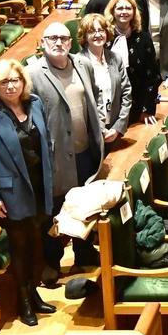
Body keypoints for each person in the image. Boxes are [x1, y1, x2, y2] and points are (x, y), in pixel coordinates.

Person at [0, 60, 56, 326]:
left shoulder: (34, 103)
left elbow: (45, 143)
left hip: (38, 185)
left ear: (23, 81)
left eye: (14, 80)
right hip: (11, 193)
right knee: (20, 247)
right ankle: (22, 301)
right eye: (3, 82)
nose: (10, 86)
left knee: (36, 242)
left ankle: (34, 293)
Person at [27, 22, 104, 280]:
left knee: (84, 205)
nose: (58, 43)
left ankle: (84, 253)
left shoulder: (83, 64)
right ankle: (52, 263)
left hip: (85, 152)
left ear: (71, 42)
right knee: (54, 211)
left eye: (63, 38)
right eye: (52, 38)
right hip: (55, 157)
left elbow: (93, 98)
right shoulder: (32, 73)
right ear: (43, 42)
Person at [105, 0, 159, 125]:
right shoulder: (104, 38)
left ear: (134, 12)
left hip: (137, 105)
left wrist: (147, 109)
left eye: (128, 8)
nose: (124, 12)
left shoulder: (144, 38)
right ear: (112, 11)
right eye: (120, 8)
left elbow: (152, 75)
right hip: (109, 105)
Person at [77, 13, 131, 144]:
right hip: (91, 133)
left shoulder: (115, 58)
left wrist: (118, 127)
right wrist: (101, 129)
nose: (97, 35)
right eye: (91, 31)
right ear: (84, 36)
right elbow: (83, 103)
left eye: (101, 30)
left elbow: (126, 93)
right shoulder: (78, 62)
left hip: (114, 129)